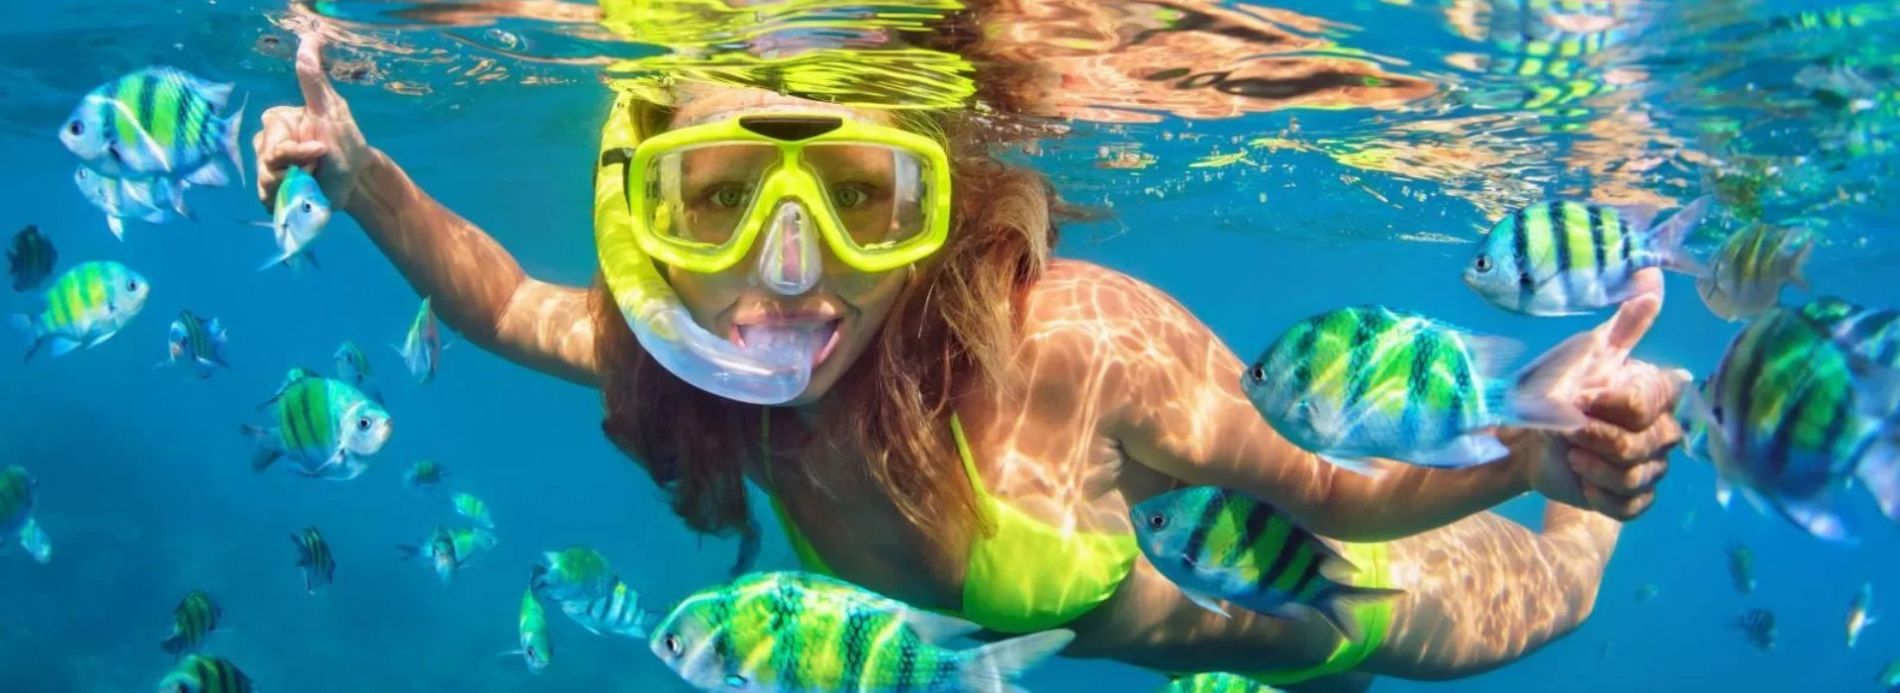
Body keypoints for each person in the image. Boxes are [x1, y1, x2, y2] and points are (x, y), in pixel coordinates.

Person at [255, 23, 1683, 689]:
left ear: (934, 208)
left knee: (1551, 590)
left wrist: (1532, 453)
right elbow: (507, 305)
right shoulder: (691, 365)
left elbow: (1334, 489)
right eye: (719, 195)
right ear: (649, 217)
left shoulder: (1076, 346)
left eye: (860, 196)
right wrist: (362, 174)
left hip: (1324, 619)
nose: (785, 270)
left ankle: (1595, 460)